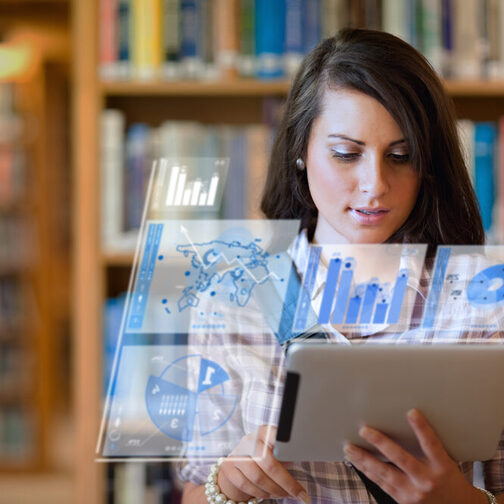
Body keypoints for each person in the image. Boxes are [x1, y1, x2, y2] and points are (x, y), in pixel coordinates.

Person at [179, 28, 504, 503]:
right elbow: (195, 491)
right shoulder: (232, 299)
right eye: (346, 154)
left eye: (401, 156)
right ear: (300, 150)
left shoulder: (485, 302)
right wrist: (226, 483)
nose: (374, 185)